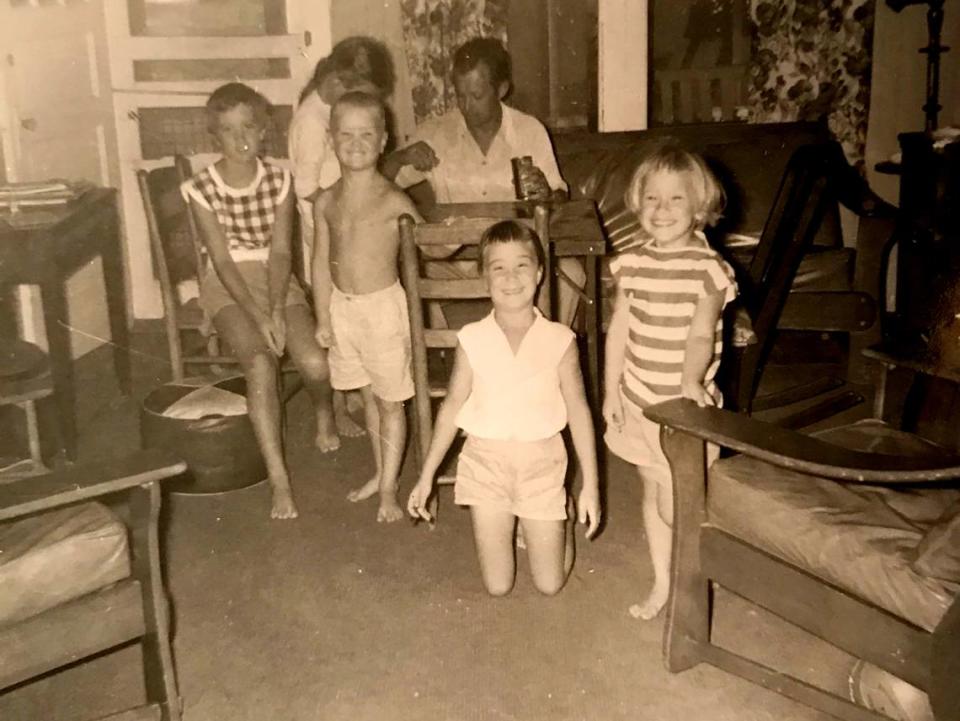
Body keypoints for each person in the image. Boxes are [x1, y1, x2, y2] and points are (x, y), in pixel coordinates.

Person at [407, 220, 601, 597]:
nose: (511, 277)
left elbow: (579, 412)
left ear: (540, 273)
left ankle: (561, 513)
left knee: (550, 584)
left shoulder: (560, 340)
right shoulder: (472, 339)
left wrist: (591, 484)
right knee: (498, 586)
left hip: (541, 465)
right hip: (486, 465)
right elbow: (450, 408)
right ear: (484, 277)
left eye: (522, 265)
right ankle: (518, 521)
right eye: (498, 267)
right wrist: (426, 475)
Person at [181, 82, 338, 520]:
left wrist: (275, 310)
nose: (240, 137)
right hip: (228, 286)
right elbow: (224, 263)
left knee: (315, 364)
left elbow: (283, 252)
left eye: (248, 125)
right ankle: (279, 480)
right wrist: (257, 317)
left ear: (265, 128)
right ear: (214, 135)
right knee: (260, 363)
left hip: (275, 278)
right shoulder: (200, 188)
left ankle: (325, 410)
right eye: (228, 130)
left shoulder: (279, 180)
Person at [603, 143, 737, 619]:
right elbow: (618, 330)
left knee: (677, 502)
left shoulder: (708, 270)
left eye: (675, 199)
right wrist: (610, 392)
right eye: (652, 199)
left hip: (682, 407)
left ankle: (693, 577)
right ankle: (664, 582)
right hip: (639, 401)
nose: (662, 210)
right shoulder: (632, 264)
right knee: (650, 488)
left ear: (699, 206)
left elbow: (702, 333)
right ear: (639, 203)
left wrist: (688, 381)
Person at [383, 37, 586, 327]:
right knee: (404, 273)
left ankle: (539, 356)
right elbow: (379, 185)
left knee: (572, 273)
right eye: (460, 95)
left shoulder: (529, 131)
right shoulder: (436, 132)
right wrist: (401, 158)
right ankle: (447, 357)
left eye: (476, 96)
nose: (466, 106)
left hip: (516, 258)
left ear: (501, 90)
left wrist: (547, 196)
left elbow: (558, 196)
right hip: (457, 261)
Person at [311, 91, 421, 523]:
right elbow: (320, 263)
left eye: (366, 135)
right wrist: (323, 316)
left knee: (392, 402)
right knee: (369, 398)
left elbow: (430, 247)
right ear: (331, 138)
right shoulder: (326, 201)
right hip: (344, 309)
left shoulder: (394, 200)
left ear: (383, 142)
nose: (355, 143)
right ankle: (382, 473)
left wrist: (453, 238)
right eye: (345, 134)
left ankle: (390, 489)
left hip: (383, 312)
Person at [288, 37, 394, 445]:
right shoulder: (312, 122)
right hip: (325, 237)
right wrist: (344, 210)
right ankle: (332, 408)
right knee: (329, 324)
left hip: (338, 233)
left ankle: (351, 393)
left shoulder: (326, 111)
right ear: (336, 78)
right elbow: (306, 188)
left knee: (347, 322)